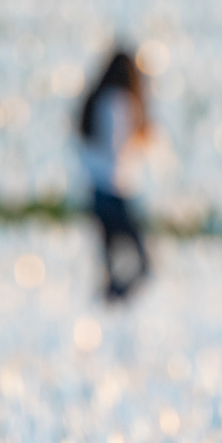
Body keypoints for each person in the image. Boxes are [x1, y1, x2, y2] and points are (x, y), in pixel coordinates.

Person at [78, 49, 152, 301]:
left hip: (96, 190)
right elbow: (118, 149)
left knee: (112, 265)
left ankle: (110, 307)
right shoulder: (121, 102)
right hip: (116, 191)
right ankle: (116, 306)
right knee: (142, 263)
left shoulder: (98, 99)